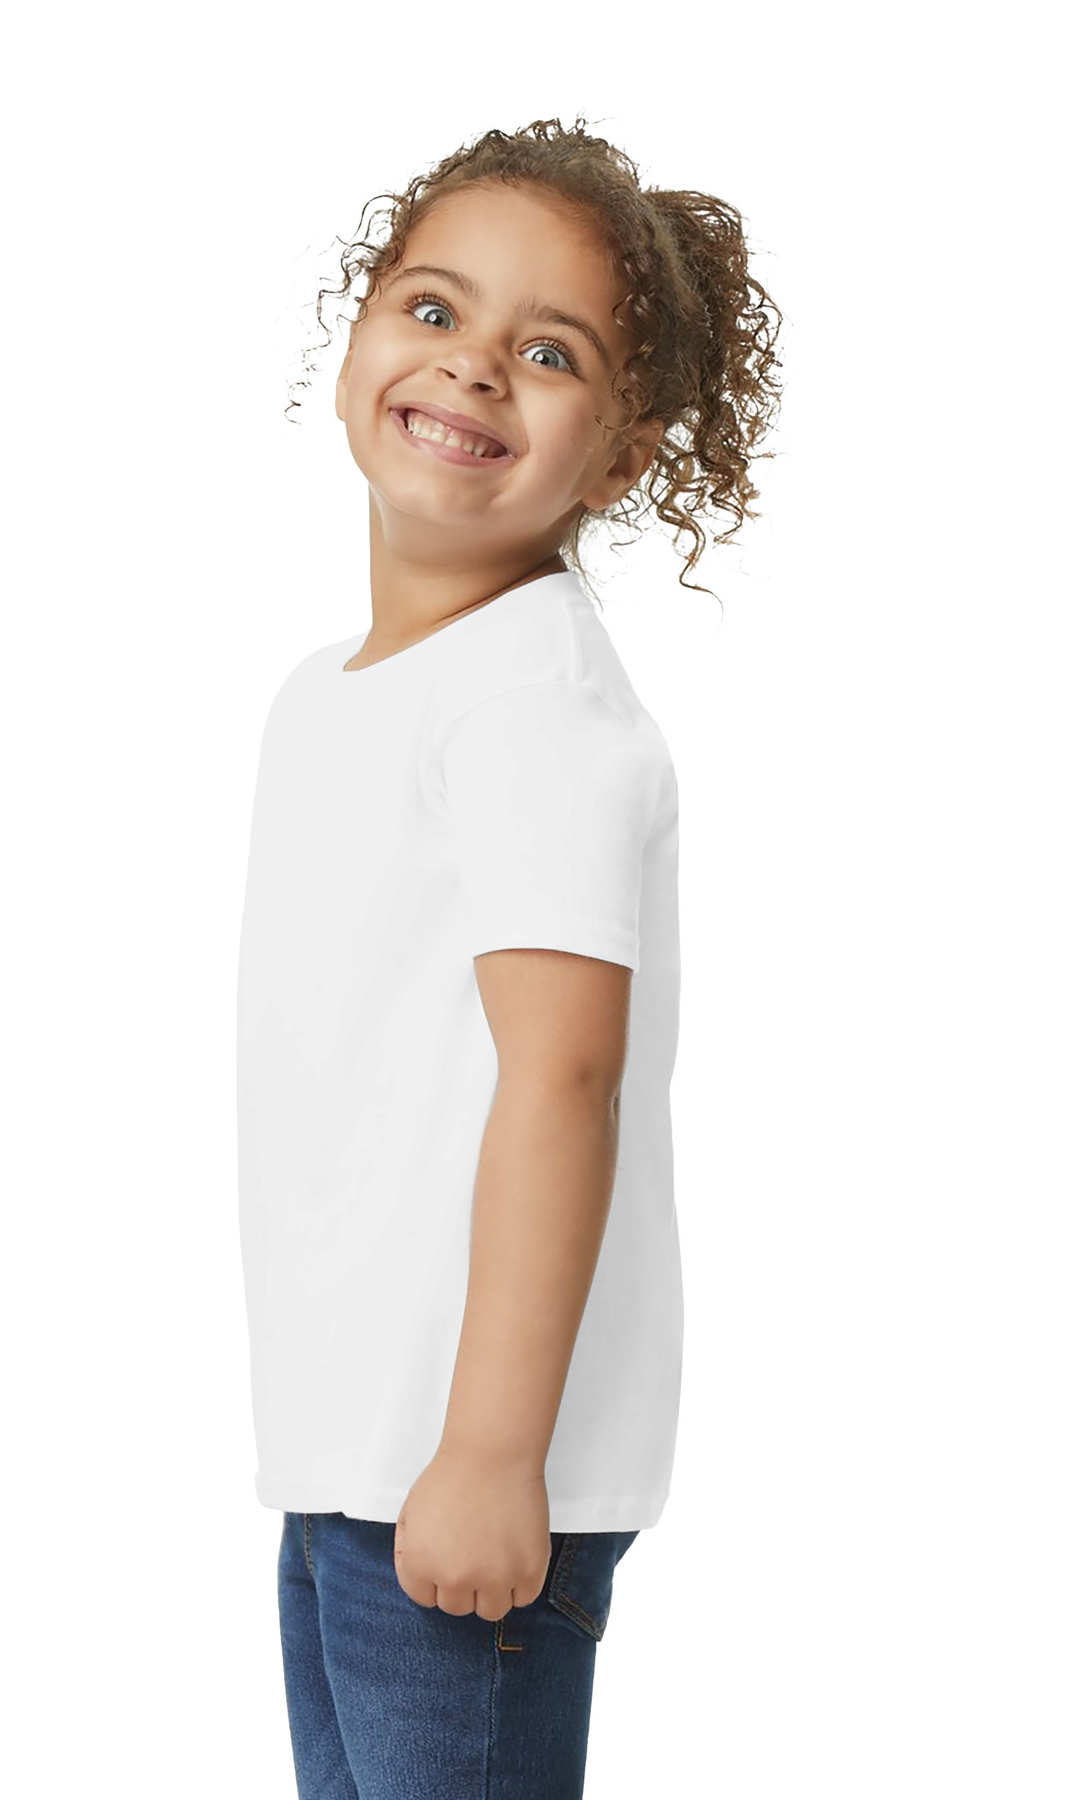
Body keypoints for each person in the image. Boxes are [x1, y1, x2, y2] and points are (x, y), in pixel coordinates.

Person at [237, 114, 783, 1800]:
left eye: (549, 355)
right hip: (355, 1461)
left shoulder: (532, 703)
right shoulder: (343, 691)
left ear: (621, 460)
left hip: (464, 1475)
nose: (474, 366)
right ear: (353, 345)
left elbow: (565, 1074)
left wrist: (489, 1449)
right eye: (433, 310)